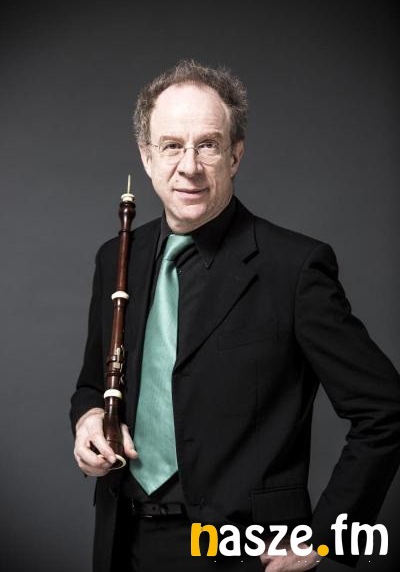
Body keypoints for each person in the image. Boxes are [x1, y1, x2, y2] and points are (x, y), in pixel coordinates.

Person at [70, 60, 400, 572]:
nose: (189, 166)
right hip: (124, 541)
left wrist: (326, 537)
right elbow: (93, 383)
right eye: (172, 145)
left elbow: (385, 408)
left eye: (208, 144)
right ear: (147, 157)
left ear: (236, 155)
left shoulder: (294, 268)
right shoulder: (116, 257)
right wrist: (89, 418)